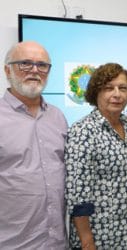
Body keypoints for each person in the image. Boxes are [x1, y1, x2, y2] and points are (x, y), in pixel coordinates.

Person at [65, 63, 127, 249]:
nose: (117, 94)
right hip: (101, 238)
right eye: (109, 88)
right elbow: (78, 195)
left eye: (123, 88)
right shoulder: (83, 131)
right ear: (96, 92)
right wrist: (87, 243)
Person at [0, 41, 67, 249]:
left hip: (57, 242)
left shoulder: (57, 116)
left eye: (42, 65)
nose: (35, 71)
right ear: (7, 69)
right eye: (25, 64)